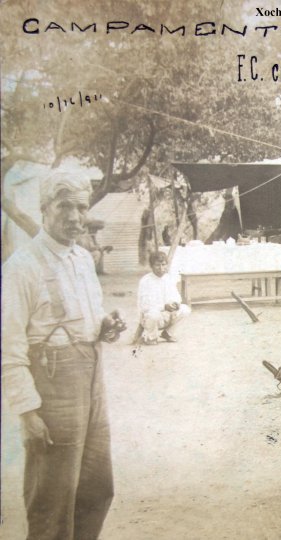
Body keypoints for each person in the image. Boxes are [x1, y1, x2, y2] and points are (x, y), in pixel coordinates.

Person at [1, 170, 127, 539]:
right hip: (52, 390)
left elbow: (86, 318)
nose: (74, 216)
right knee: (52, 500)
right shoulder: (21, 268)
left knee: (97, 488)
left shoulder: (84, 260)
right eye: (64, 206)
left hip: (92, 381)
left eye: (81, 207)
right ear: (44, 208)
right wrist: (27, 413)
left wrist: (105, 326)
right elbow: (7, 348)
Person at [137, 251, 191, 345]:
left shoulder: (168, 278)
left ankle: (167, 333)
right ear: (152, 266)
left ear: (166, 265)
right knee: (153, 314)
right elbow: (144, 305)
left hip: (167, 314)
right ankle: (151, 337)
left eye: (163, 264)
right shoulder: (146, 281)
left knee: (185, 309)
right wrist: (164, 306)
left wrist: (175, 303)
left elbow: (177, 296)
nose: (161, 268)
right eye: (157, 265)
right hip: (151, 317)